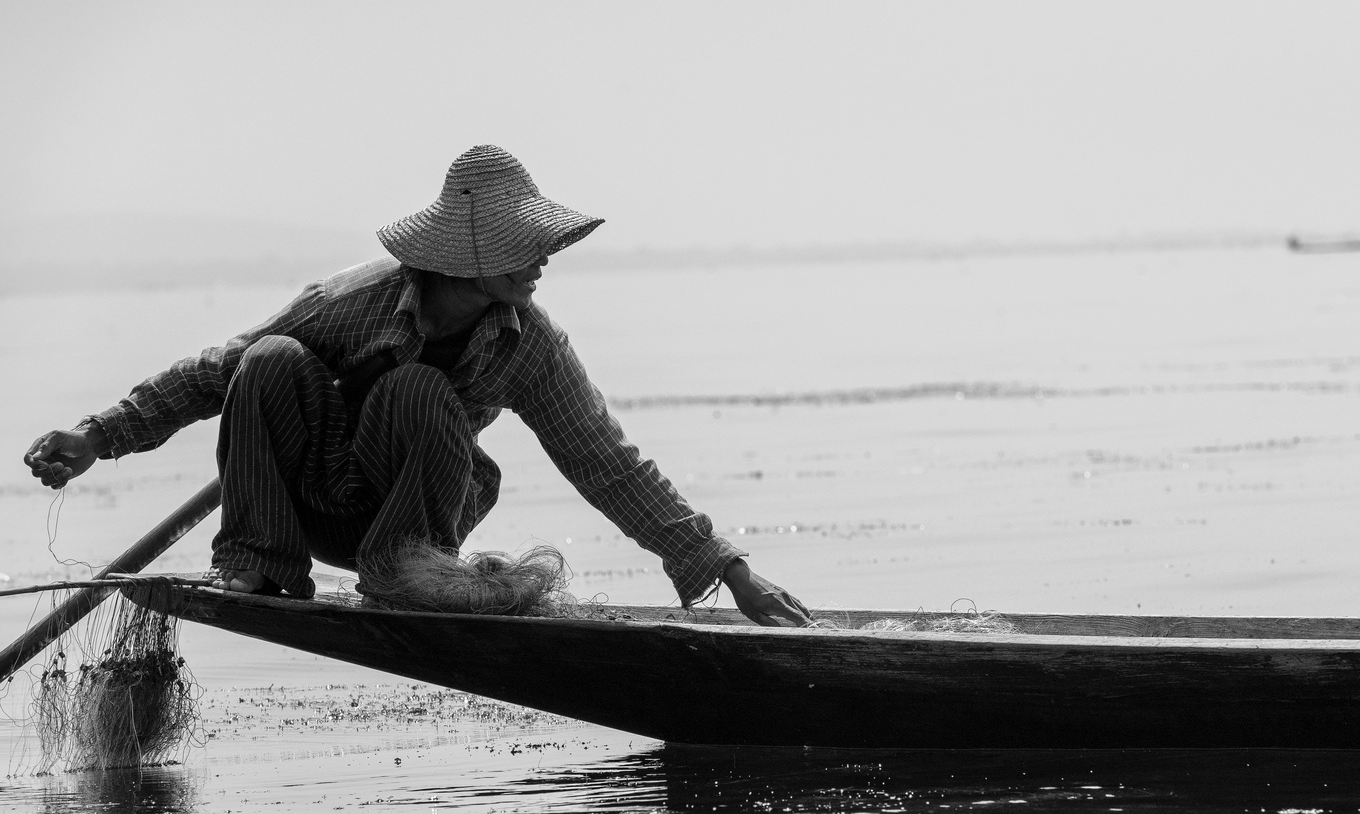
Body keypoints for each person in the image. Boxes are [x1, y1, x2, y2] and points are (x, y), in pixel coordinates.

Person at [23, 145, 811, 627]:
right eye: (523, 246)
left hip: (418, 518)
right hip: (318, 501)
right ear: (466, 254)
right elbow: (215, 375)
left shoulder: (529, 343)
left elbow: (606, 461)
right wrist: (99, 436)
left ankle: (403, 568)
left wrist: (726, 569)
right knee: (266, 359)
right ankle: (261, 563)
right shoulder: (351, 302)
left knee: (419, 396)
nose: (542, 261)